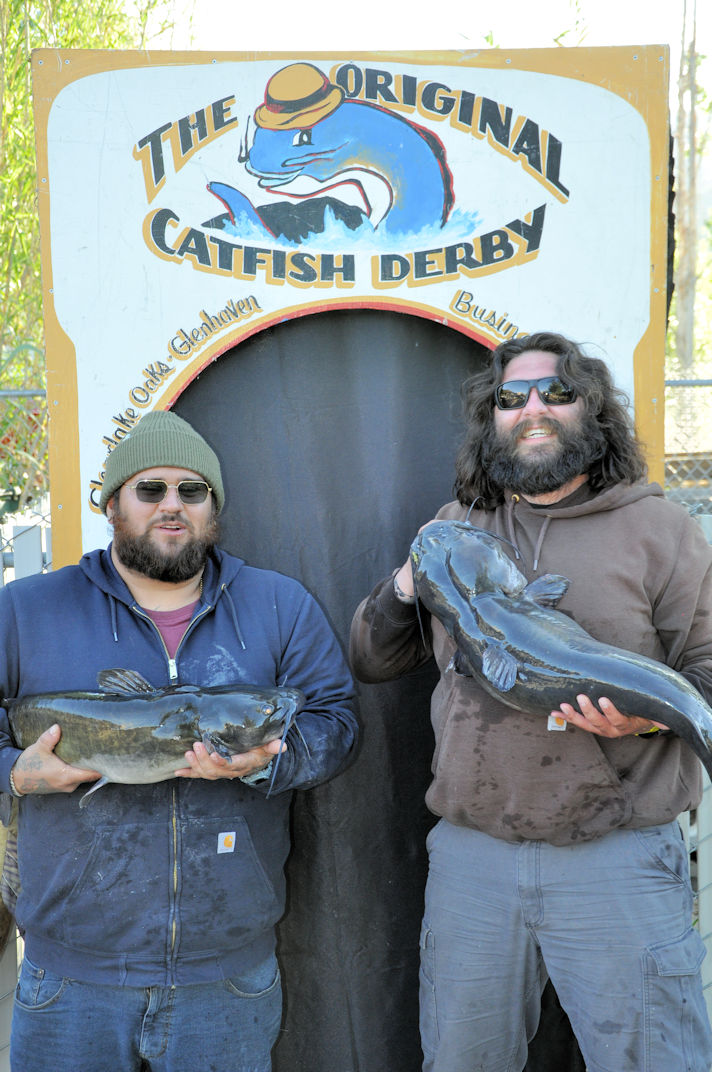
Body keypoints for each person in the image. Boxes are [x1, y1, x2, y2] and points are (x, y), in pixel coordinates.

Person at [349, 331, 712, 1072]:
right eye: (512, 398)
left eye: (557, 392)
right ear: (492, 418)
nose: (533, 409)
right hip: (475, 858)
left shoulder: (661, 530)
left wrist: (646, 719)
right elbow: (372, 657)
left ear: (593, 410)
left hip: (619, 856)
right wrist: (409, 579)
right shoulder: (455, 527)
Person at [0, 409, 358, 1072]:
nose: (173, 505)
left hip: (225, 978)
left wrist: (263, 766)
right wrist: (15, 773)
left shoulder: (280, 606)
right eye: (150, 488)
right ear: (111, 504)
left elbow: (335, 723)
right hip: (69, 979)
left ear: (213, 509)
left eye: (192, 491)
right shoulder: (24, 610)